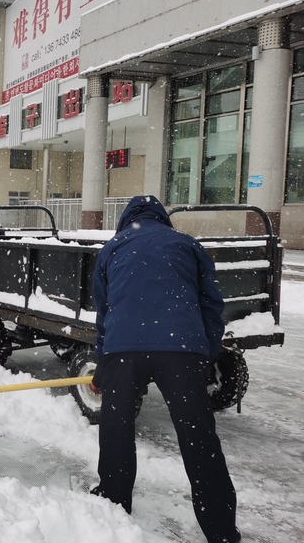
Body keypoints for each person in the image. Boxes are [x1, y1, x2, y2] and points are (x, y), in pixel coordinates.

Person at [90, 195, 240, 543]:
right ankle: (220, 529)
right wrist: (203, 353)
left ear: (126, 219)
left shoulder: (113, 247)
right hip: (180, 348)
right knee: (199, 437)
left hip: (124, 349)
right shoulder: (187, 244)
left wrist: (104, 362)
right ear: (162, 218)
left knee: (116, 429)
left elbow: (104, 311)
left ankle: (113, 502)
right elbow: (211, 305)